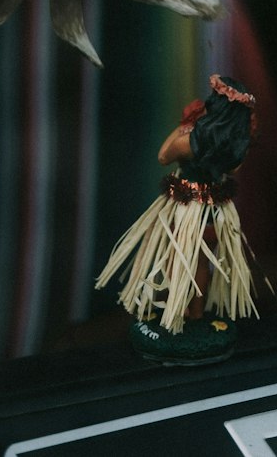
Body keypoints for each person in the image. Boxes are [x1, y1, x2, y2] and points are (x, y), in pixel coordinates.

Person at [94, 74, 258, 357]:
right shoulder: (236, 147)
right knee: (202, 264)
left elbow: (162, 156)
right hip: (214, 212)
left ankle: (176, 313)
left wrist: (185, 126)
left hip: (186, 211)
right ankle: (196, 314)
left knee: (176, 259)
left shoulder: (190, 141)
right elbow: (231, 171)